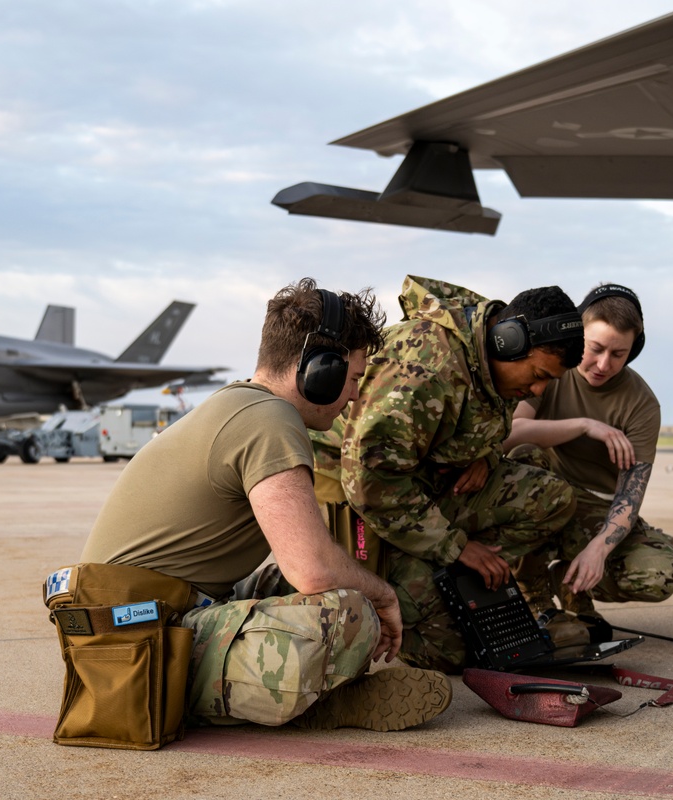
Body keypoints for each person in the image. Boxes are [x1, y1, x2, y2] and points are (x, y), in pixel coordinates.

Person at [79, 279, 452, 732]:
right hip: (132, 642)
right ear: (320, 370)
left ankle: (285, 692)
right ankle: (299, 701)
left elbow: (301, 567)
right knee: (350, 614)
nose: (355, 395)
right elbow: (312, 568)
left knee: (324, 583)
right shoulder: (269, 419)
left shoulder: (240, 405)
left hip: (137, 621)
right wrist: (384, 595)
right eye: (354, 378)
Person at [311, 274, 585, 672]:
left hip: (424, 489)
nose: (539, 391)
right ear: (507, 340)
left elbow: (486, 425)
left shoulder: (492, 365)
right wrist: (455, 546)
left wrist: (485, 455)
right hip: (362, 499)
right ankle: (417, 581)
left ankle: (443, 578)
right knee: (451, 651)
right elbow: (369, 482)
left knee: (552, 499)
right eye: (539, 375)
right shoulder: (425, 367)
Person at [504, 283, 673, 618]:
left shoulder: (642, 404)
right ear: (578, 336)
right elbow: (510, 434)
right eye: (595, 348)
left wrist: (598, 551)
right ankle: (531, 591)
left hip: (590, 512)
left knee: (661, 575)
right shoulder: (552, 370)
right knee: (525, 455)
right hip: (539, 498)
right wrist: (585, 425)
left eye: (618, 354)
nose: (603, 365)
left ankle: (569, 581)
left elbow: (629, 497)